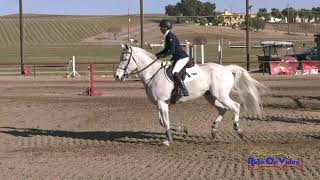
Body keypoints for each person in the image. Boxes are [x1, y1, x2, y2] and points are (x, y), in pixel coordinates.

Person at [156, 19, 189, 97]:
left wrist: (163, 56)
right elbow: (166, 49)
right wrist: (158, 55)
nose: (160, 29)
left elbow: (171, 50)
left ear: (166, 27)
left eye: (161, 27)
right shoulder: (167, 36)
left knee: (174, 71)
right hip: (177, 58)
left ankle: (183, 90)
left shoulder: (170, 36)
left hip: (182, 57)